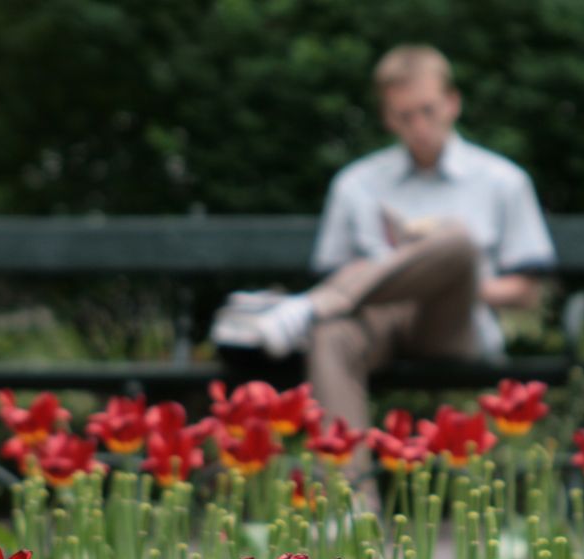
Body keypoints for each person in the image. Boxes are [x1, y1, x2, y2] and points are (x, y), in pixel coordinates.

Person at [212, 44, 556, 464]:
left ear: (452, 103)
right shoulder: (356, 183)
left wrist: (435, 271)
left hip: (452, 319)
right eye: (404, 115)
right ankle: (349, 507)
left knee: (456, 241)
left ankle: (307, 308)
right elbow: (335, 268)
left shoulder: (502, 180)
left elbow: (526, 292)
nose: (418, 125)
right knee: (329, 334)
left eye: (428, 110)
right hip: (376, 321)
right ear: (386, 116)